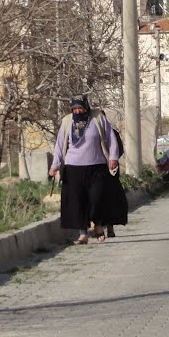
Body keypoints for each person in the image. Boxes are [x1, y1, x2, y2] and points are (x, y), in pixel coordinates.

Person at [48, 95, 121, 245]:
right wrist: (55, 165)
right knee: (77, 202)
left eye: (80, 107)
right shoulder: (67, 121)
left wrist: (113, 157)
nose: (77, 111)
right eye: (74, 108)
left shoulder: (97, 117)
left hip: (97, 166)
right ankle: (83, 234)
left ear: (86, 106)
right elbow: (60, 145)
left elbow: (111, 137)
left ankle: (98, 226)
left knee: (96, 198)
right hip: (73, 168)